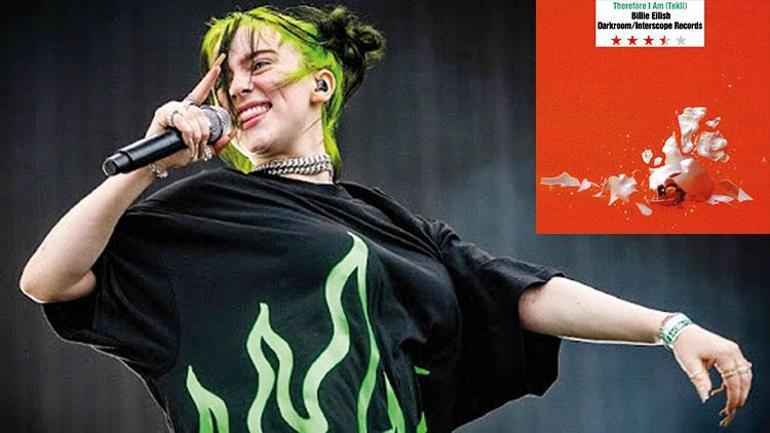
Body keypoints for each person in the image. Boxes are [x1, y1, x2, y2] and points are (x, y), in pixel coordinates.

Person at [19, 4, 752, 433]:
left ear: (321, 84)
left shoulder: (395, 226)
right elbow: (48, 280)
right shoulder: (197, 212)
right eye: (226, 76)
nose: (238, 87)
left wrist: (670, 326)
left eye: (259, 65)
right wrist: (146, 165)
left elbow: (521, 292)